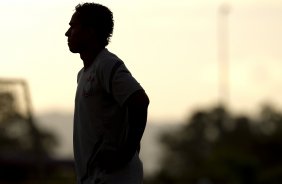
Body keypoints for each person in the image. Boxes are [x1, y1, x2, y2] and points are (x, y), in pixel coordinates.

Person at [65, 2, 149, 184]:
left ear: (90, 31)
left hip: (113, 177)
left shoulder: (107, 64)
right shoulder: (84, 73)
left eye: (73, 26)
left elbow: (140, 101)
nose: (67, 33)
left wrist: (125, 153)